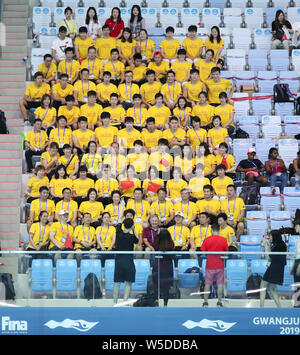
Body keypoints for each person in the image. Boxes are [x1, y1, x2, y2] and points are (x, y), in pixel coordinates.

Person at [200, 223, 228, 307]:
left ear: (211, 230)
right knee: (220, 284)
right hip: (220, 265)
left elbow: (203, 251)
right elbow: (226, 252)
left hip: (210, 265)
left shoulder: (207, 239)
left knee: (207, 284)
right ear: (219, 230)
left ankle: (205, 302)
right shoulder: (223, 240)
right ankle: (219, 301)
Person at [113, 218, 139, 305]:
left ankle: (115, 302)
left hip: (119, 261)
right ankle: (124, 301)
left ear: (124, 224)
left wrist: (122, 206)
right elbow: (138, 239)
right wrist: (133, 229)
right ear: (131, 225)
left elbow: (119, 220)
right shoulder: (132, 237)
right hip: (128, 261)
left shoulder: (119, 233)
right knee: (128, 282)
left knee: (117, 283)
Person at [260, 230, 287, 308]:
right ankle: (279, 307)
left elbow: (269, 256)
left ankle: (261, 307)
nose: (270, 237)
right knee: (272, 288)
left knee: (263, 286)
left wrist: (265, 245)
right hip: (275, 267)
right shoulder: (280, 244)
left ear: (274, 236)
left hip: (275, 268)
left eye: (271, 236)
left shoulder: (279, 245)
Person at [151, 229, 175, 307]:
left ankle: (156, 301)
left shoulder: (157, 243)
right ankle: (165, 304)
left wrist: (157, 236)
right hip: (168, 267)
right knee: (166, 287)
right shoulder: (171, 244)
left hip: (158, 266)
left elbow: (154, 245)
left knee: (156, 285)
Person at [290, 230, 300, 308]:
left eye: (297, 226)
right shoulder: (297, 239)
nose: (296, 228)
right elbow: (296, 254)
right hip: (297, 262)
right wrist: (293, 266)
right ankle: (297, 306)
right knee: (297, 285)